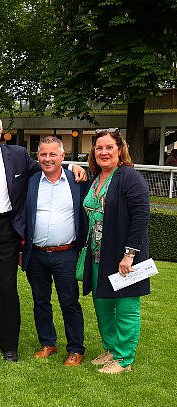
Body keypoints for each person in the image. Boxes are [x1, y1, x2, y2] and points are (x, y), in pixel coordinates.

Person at [0, 112, 86, 362]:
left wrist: (71, 167)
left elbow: (48, 166)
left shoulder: (18, 155)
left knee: (5, 288)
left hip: (3, 228)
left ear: (1, 133)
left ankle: (9, 345)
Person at [80, 128, 150, 374]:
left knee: (126, 308)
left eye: (109, 147)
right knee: (103, 307)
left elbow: (140, 217)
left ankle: (124, 359)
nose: (104, 152)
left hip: (125, 258)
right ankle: (111, 349)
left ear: (120, 150)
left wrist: (129, 255)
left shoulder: (130, 177)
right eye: (99, 148)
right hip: (98, 256)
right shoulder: (95, 178)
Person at [22, 136, 87, 366]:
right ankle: (48, 343)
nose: (48, 159)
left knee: (69, 302)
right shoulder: (30, 181)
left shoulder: (76, 180)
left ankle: (76, 349)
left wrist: (76, 167)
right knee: (40, 301)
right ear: (37, 156)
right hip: (36, 253)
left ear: (62, 156)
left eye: (53, 154)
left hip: (66, 254)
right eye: (43, 154)